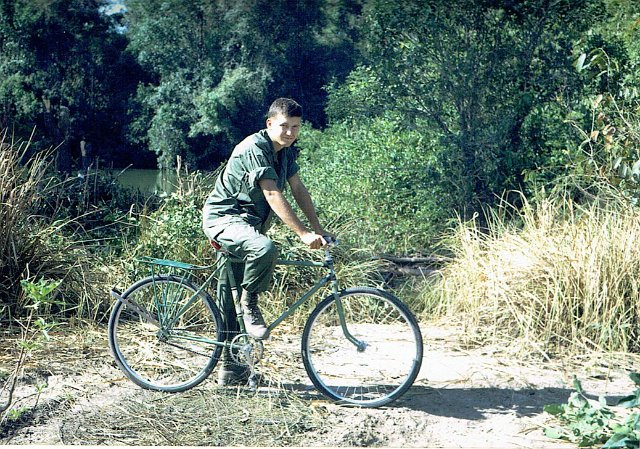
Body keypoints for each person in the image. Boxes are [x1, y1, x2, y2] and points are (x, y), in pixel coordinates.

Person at [202, 98, 332, 385]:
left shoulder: (284, 153)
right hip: (225, 220)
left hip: (247, 225)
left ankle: (231, 370)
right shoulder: (254, 147)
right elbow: (273, 194)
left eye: (295, 127)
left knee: (228, 297)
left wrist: (319, 229)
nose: (290, 133)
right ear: (269, 123)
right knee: (263, 249)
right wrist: (303, 234)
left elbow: (298, 189)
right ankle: (251, 302)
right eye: (284, 126)